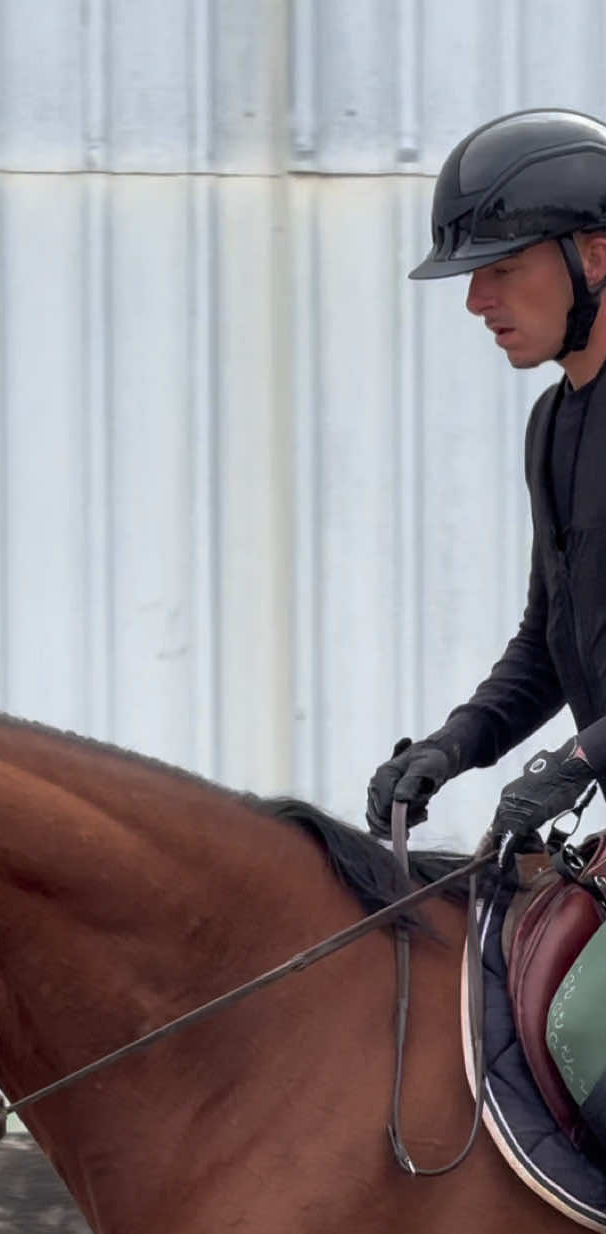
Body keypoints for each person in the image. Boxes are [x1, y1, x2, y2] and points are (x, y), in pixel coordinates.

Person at [365, 108, 606, 1146]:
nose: (477, 300)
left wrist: (583, 758)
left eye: (502, 267)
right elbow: (548, 641)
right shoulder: (555, 423)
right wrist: (451, 748)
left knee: (587, 1033)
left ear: (595, 253)